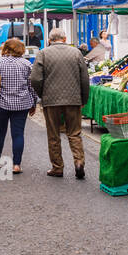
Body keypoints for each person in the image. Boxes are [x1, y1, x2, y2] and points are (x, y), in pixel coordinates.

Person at [29, 29, 90, 179]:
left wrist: (42, 94)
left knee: (53, 134)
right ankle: (79, 162)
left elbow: (35, 78)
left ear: (49, 40)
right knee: (74, 133)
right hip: (73, 99)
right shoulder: (76, 53)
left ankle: (57, 167)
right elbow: (84, 78)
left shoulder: (43, 53)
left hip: (51, 100)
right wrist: (83, 98)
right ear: (65, 38)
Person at [0, 37, 37, 174]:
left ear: (6, 49)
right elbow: (31, 86)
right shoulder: (26, 64)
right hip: (21, 104)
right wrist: (34, 102)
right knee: (18, 134)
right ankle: (16, 165)